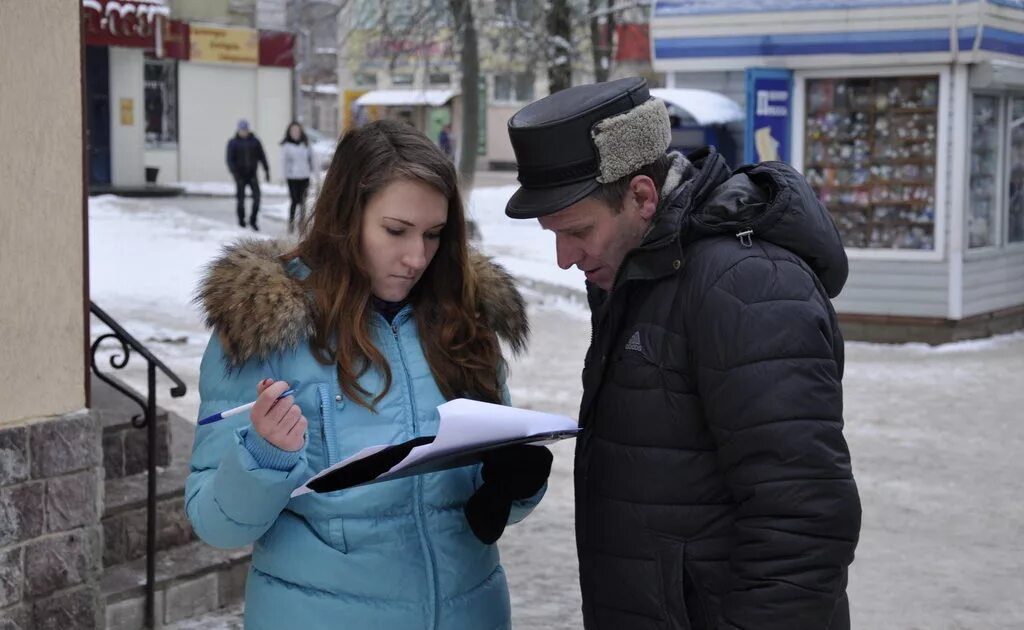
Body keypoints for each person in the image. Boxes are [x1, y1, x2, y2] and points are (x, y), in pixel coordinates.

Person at [504, 77, 861, 629]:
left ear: (643, 197)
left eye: (576, 232)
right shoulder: (640, 270)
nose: (562, 258)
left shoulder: (745, 287)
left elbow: (804, 519)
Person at [189, 120, 552, 629]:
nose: (416, 257)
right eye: (396, 231)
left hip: (472, 612)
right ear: (345, 217)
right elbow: (215, 523)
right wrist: (264, 455)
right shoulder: (266, 325)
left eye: (434, 234)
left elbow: (486, 505)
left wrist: (512, 483)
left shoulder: (461, 315)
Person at [226, 118, 270, 231]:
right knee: (240, 201)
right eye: (241, 130)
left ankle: (253, 220)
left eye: (245, 129)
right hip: (240, 176)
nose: (243, 132)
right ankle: (241, 221)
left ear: (248, 130)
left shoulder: (255, 141)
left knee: (257, 198)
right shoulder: (233, 143)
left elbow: (262, 156)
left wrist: (266, 170)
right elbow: (230, 159)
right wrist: (234, 173)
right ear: (238, 130)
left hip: (252, 175)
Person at [279, 121, 314, 234]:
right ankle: (291, 224)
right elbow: (282, 161)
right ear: (289, 132)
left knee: (303, 202)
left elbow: (313, 159)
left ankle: (302, 224)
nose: (295, 132)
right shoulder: (286, 146)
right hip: (292, 177)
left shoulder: (306, 144)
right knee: (294, 201)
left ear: (300, 131)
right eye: (293, 130)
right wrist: (282, 176)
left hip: (304, 176)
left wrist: (316, 175)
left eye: (297, 130)